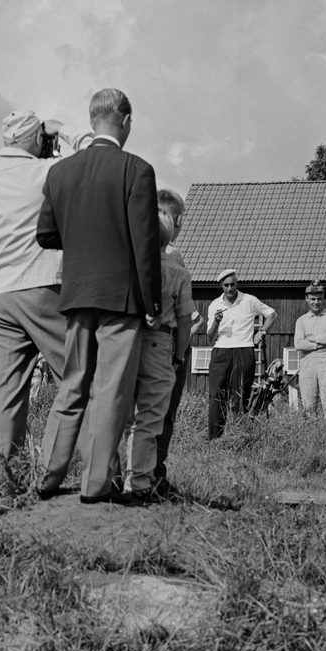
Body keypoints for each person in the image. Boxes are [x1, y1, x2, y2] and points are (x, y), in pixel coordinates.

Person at [36, 87, 161, 504]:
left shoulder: (59, 173)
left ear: (92, 121)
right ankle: (95, 484)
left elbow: (45, 234)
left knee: (72, 384)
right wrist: (152, 304)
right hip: (121, 298)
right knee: (110, 391)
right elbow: (145, 248)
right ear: (125, 121)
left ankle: (48, 476)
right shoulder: (136, 170)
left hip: (75, 293)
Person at [0, 109, 76, 490]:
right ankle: (58, 472)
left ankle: (4, 476)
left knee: (7, 385)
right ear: (35, 138)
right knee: (78, 375)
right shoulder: (44, 173)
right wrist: (62, 130)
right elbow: (89, 155)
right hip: (42, 284)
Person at [125, 206, 195, 502]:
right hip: (159, 344)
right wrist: (178, 358)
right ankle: (140, 482)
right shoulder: (178, 272)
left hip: (124, 341)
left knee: (122, 415)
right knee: (150, 417)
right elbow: (184, 320)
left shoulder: (126, 265)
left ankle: (110, 475)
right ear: (169, 236)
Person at [152, 188, 193, 494]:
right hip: (166, 345)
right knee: (164, 412)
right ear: (176, 220)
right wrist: (179, 356)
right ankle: (154, 472)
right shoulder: (174, 259)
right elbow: (185, 317)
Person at [204, 269, 276, 439]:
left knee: (240, 394)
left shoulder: (249, 300)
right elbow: (210, 336)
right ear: (221, 286)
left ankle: (239, 437)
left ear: (237, 283)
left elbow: (272, 314)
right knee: (216, 394)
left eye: (233, 284)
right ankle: (215, 438)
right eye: (226, 285)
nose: (230, 289)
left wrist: (261, 333)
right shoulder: (215, 305)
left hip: (244, 350)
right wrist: (216, 321)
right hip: (221, 351)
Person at [294, 280, 326, 426]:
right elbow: (298, 344)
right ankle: (312, 438)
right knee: (308, 405)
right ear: (306, 299)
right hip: (307, 362)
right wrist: (319, 344)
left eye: (319, 298)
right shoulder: (301, 320)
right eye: (313, 299)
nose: (316, 302)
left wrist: (312, 339)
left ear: (323, 298)